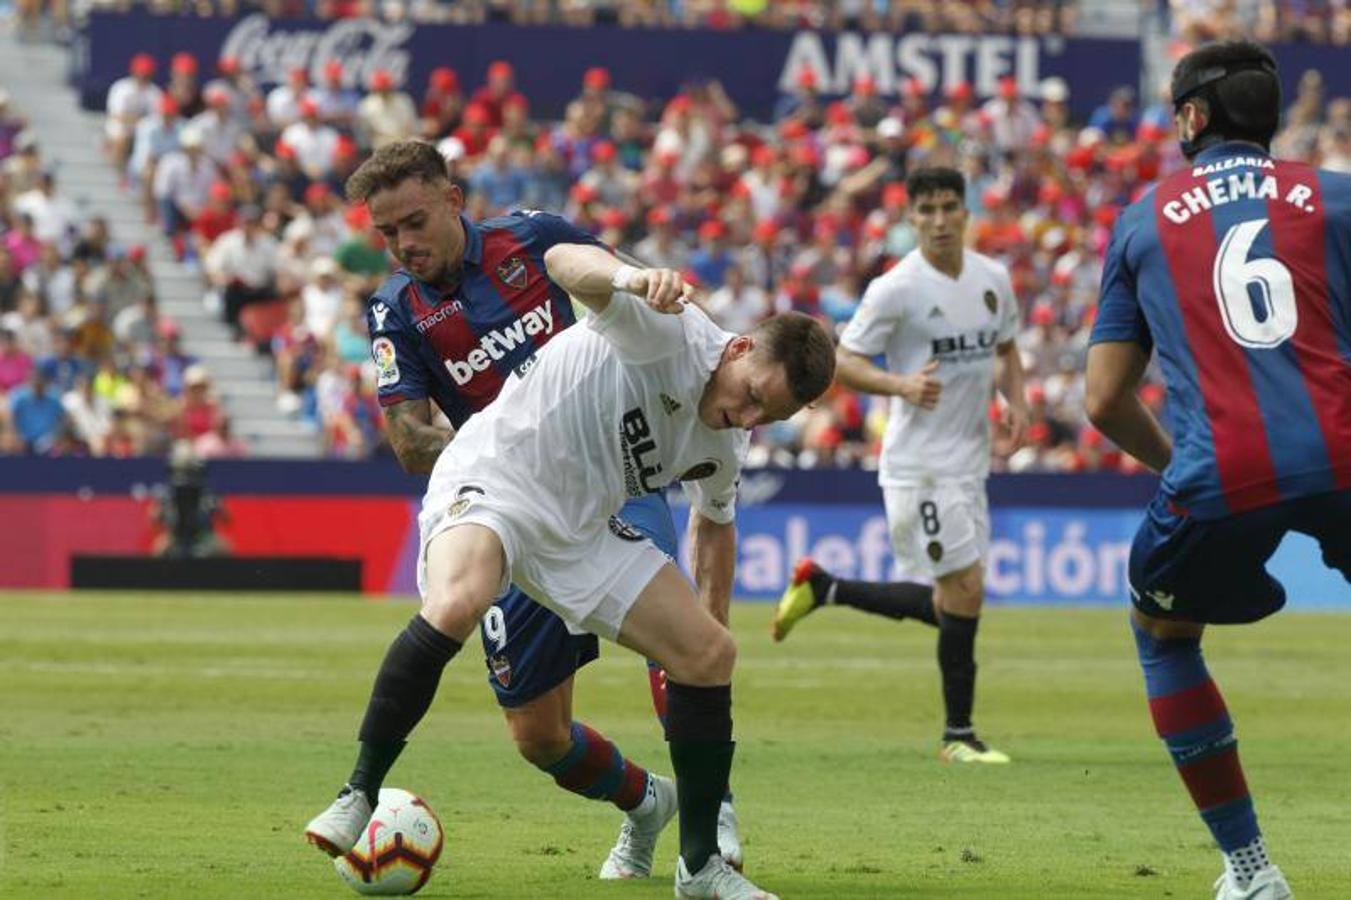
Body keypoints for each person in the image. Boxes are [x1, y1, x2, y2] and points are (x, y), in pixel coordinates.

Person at [304, 163, 835, 898]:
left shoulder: (726, 438)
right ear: (740, 349)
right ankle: (358, 793)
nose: (746, 419)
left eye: (766, 417)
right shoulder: (666, 328)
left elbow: (715, 526)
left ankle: (701, 863)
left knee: (710, 653)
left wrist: (697, 645)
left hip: (581, 526)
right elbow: (563, 264)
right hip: (497, 474)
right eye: (750, 399)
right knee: (462, 603)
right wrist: (627, 278)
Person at [1085, 40, 1350, 900]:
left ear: (1192, 118)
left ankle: (1250, 870)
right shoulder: (1336, 197)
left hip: (1219, 470)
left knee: (1161, 636)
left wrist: (1175, 467)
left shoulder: (1141, 218)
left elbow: (1102, 401)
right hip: (1344, 451)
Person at [771, 166, 1029, 765]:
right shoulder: (896, 288)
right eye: (927, 211)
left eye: (948, 208)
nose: (939, 220)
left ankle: (824, 587)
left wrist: (1015, 400)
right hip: (920, 467)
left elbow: (1010, 349)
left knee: (957, 599)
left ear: (965, 213)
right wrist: (899, 384)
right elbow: (842, 359)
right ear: (911, 220)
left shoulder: (994, 280)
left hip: (969, 464)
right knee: (963, 590)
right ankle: (957, 736)